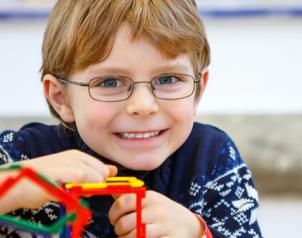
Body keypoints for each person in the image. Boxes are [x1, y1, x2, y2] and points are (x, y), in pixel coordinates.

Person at [0, 0, 262, 237]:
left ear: (197, 90)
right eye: (110, 82)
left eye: (168, 79)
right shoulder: (24, 156)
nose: (143, 106)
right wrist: (11, 187)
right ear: (61, 98)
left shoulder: (212, 157)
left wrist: (196, 232)